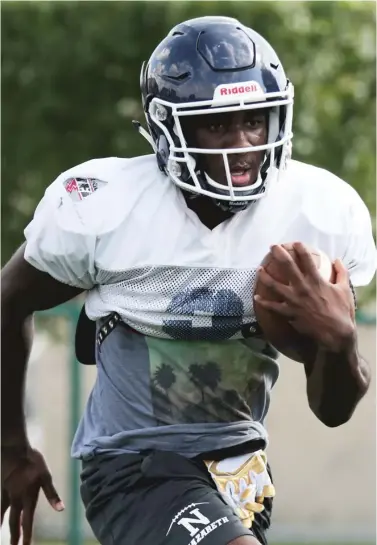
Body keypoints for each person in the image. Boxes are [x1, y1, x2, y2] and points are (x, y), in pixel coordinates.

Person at [1, 15, 376, 545]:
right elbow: (7, 300)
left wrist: (339, 342)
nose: (242, 144)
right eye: (216, 125)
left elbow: (333, 412)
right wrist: (10, 445)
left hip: (242, 472)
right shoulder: (107, 206)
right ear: (167, 126)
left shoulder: (318, 215)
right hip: (132, 466)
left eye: (253, 120)